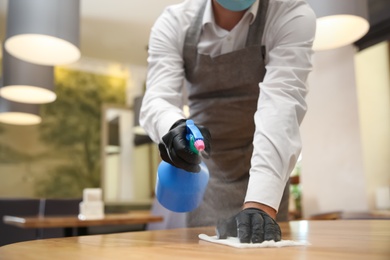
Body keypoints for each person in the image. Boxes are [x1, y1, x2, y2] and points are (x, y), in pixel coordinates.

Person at [140, 0, 316, 243]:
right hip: (205, 177)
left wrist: (261, 204)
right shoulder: (174, 23)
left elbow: (281, 106)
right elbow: (157, 99)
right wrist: (176, 127)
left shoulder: (290, 14)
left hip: (264, 169)